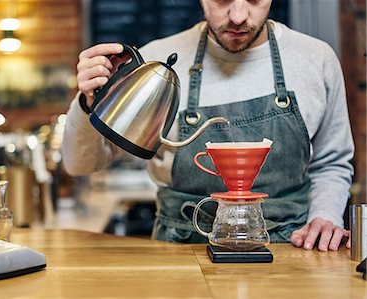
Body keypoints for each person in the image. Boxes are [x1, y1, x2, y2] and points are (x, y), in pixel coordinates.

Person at [62, 0, 354, 251]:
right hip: (178, 253)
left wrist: (326, 215)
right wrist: (88, 102)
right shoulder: (156, 64)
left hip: (292, 250)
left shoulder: (316, 60)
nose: (238, 15)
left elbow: (332, 163)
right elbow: (80, 165)